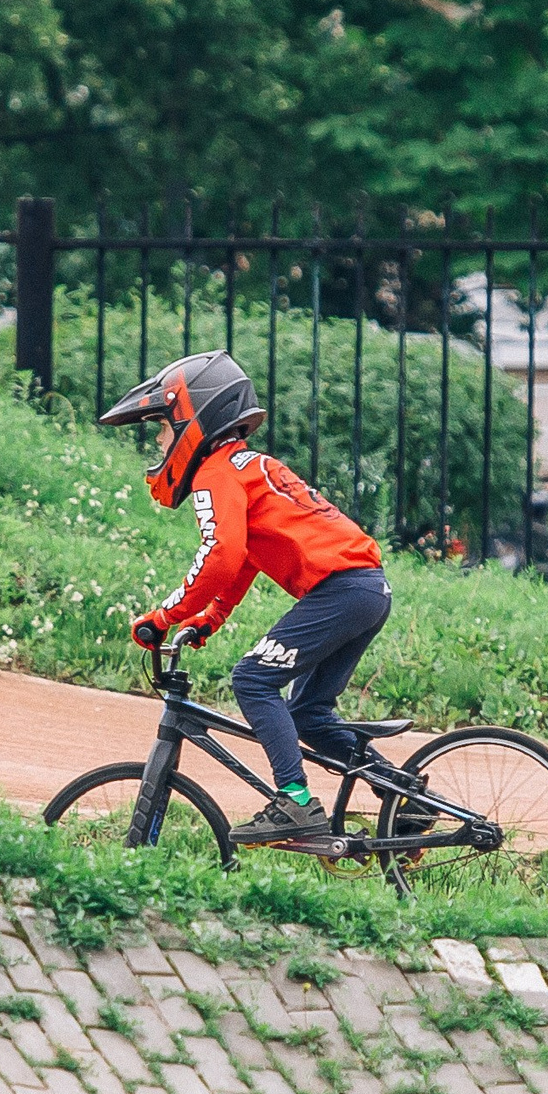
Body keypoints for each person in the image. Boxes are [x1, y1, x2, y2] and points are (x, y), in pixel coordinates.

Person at [101, 351, 390, 847]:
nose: (158, 441)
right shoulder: (248, 465)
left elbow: (221, 552)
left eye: (163, 429)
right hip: (365, 589)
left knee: (253, 679)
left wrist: (166, 616)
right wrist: (210, 618)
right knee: (309, 715)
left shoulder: (217, 471)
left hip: (341, 590)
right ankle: (401, 798)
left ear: (191, 420)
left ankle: (295, 803)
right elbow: (248, 558)